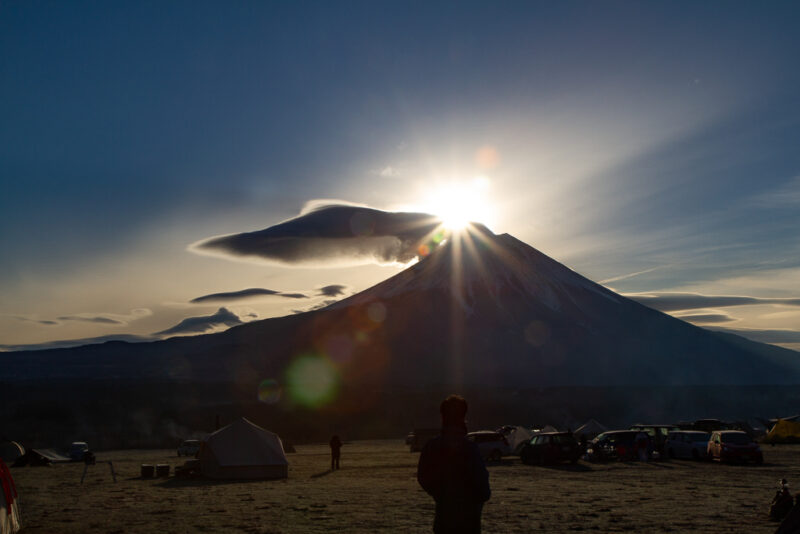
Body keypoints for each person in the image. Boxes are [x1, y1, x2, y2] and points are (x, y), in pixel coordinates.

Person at [417, 394, 491, 534]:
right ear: (463, 416)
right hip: (469, 521)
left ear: (443, 416)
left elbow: (423, 477)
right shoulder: (469, 448)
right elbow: (482, 486)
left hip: (443, 518)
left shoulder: (432, 446)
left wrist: (440, 495)